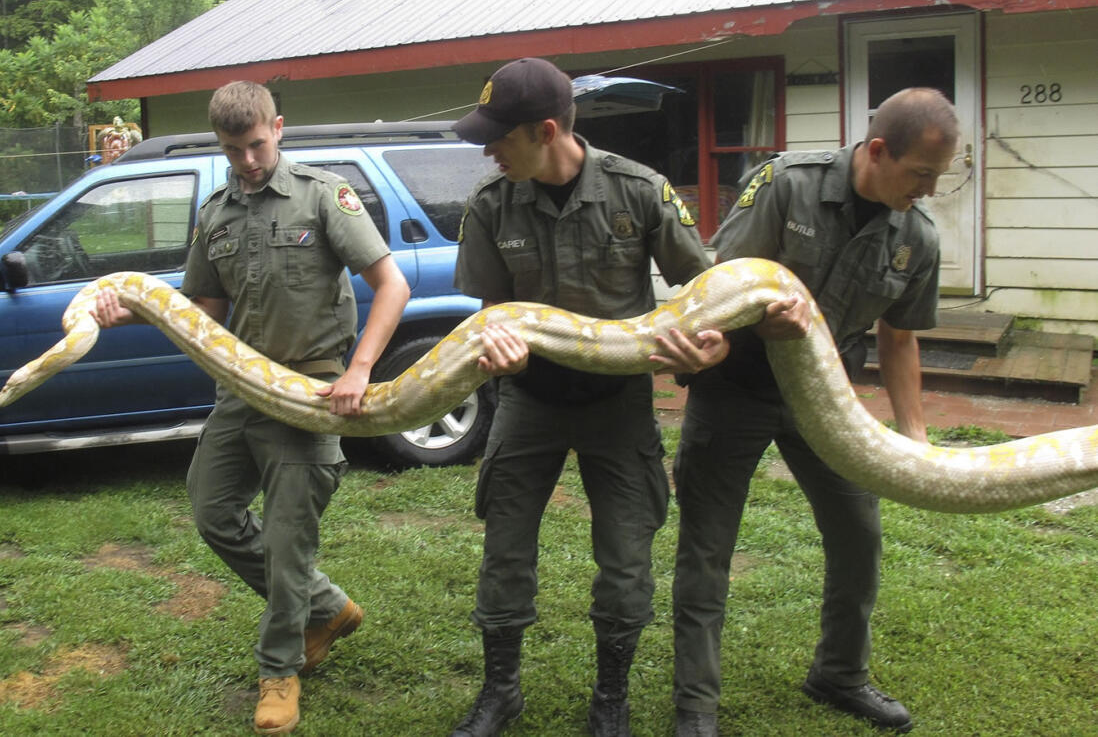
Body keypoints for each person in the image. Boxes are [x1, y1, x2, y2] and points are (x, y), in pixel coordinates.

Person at [90, 80, 410, 735]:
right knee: (212, 510)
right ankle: (326, 607)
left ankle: (279, 671)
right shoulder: (215, 214)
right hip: (240, 389)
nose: (248, 163)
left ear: (279, 128)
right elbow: (202, 311)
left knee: (289, 542)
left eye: (257, 145)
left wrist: (359, 369)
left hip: (311, 390)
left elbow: (391, 283)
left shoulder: (323, 195)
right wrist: (129, 313)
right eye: (234, 151)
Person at [660, 87, 959, 737]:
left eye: (938, 177)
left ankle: (840, 674)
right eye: (921, 174)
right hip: (736, 384)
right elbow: (724, 281)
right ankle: (696, 710)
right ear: (878, 151)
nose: (930, 190)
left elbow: (900, 337)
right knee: (708, 547)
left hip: (828, 397)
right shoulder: (786, 185)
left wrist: (915, 435)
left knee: (859, 533)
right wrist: (759, 319)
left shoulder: (917, 236)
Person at [449, 57, 728, 737]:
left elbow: (708, 294)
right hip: (529, 400)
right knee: (505, 552)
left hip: (617, 405)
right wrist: (496, 349)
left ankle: (611, 699)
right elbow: (493, 311)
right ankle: (501, 691)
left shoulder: (640, 191)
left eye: (499, 136)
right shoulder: (491, 204)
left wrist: (712, 345)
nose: (487, 150)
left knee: (626, 560)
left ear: (547, 130)